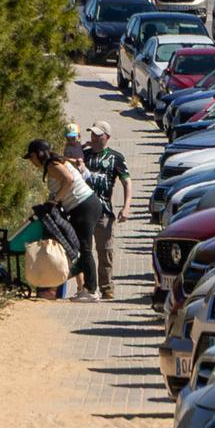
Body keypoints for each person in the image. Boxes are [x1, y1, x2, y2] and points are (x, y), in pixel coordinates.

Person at [23, 139, 102, 302]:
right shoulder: (54, 163)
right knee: (79, 246)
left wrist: (55, 201)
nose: (31, 161)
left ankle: (91, 290)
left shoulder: (52, 164)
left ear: (38, 154)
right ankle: (87, 288)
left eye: (31, 157)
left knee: (85, 247)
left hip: (84, 205)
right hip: (83, 205)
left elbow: (69, 180)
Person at [81, 120, 132, 301]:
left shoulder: (115, 158)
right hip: (82, 210)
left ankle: (107, 288)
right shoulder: (83, 156)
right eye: (92, 134)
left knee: (105, 251)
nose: (94, 138)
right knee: (83, 250)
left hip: (104, 211)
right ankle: (86, 287)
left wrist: (126, 207)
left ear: (107, 137)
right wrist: (80, 147)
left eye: (98, 135)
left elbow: (127, 181)